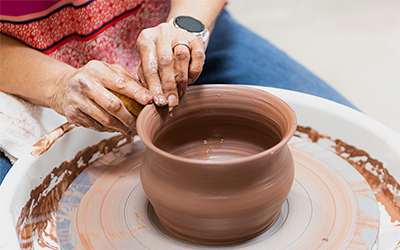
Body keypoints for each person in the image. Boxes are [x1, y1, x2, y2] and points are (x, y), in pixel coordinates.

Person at [0, 0, 357, 184]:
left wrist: (188, 26)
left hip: (166, 27)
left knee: (349, 139)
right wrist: (56, 84)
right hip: (27, 58)